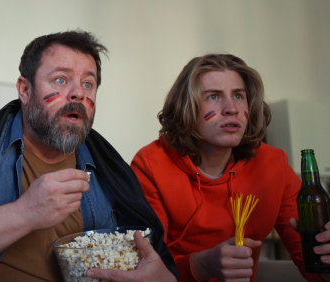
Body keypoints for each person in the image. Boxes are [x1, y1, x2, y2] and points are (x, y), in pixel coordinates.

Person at [0, 30, 178, 282]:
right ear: (25, 90)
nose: (78, 93)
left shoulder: (112, 167)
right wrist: (24, 213)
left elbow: (152, 260)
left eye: (88, 84)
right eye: (61, 79)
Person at [131, 53, 330, 282]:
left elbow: (314, 268)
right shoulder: (150, 165)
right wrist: (201, 265)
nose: (231, 108)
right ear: (186, 107)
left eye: (238, 95)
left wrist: (325, 256)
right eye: (214, 96)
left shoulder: (274, 163)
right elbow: (146, 269)